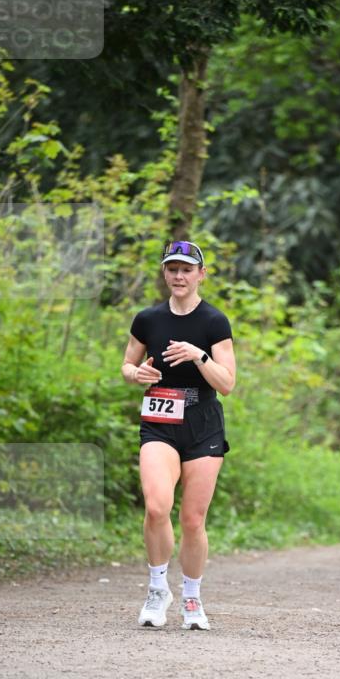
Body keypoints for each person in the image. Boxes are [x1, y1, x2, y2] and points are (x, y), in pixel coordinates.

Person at [122, 240, 236, 629]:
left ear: (201, 274)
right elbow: (127, 364)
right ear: (164, 273)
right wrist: (136, 374)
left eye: (187, 269)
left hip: (202, 422)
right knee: (156, 506)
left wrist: (198, 355)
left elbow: (227, 383)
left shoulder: (214, 322)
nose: (179, 275)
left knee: (192, 519)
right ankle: (157, 590)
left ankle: (191, 598)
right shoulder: (148, 319)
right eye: (172, 268)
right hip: (159, 420)